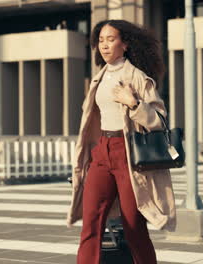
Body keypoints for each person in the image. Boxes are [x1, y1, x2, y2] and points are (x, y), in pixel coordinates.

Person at [66, 19, 177, 264]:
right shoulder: (99, 77)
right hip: (102, 151)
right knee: (91, 221)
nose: (104, 46)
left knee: (133, 226)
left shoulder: (137, 77)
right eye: (100, 40)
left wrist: (134, 104)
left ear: (125, 44)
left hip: (128, 153)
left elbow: (160, 120)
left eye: (111, 39)